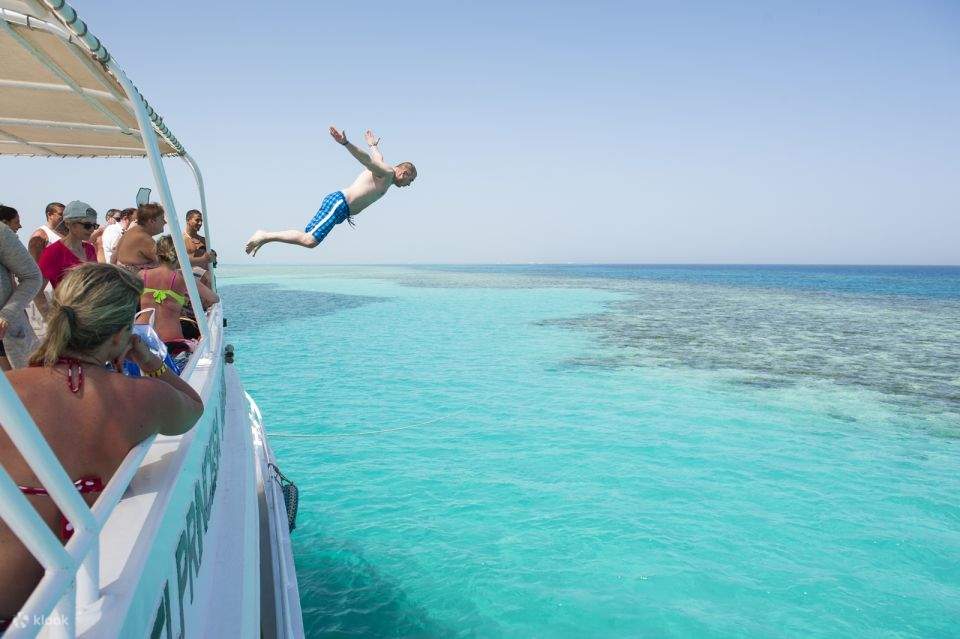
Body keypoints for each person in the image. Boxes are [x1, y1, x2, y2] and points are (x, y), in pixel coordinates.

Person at [0, 263, 203, 626]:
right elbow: (193, 409)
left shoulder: (8, 390)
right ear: (119, 335)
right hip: (53, 613)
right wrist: (146, 357)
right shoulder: (138, 400)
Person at [245, 127, 417, 256]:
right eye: (411, 180)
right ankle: (265, 235)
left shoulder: (385, 171)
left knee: (307, 238)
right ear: (405, 172)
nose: (409, 185)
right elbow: (367, 161)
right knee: (310, 241)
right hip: (340, 204)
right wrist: (346, 143)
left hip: (340, 207)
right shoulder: (387, 173)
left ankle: (265, 238)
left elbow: (376, 157)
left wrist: (373, 145)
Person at [137, 235, 218, 356]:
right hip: (170, 341)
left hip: (141, 336)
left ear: (157, 254)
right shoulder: (183, 278)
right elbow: (214, 298)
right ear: (180, 255)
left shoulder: (142, 275)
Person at [0, 205, 42, 370]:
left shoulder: (2, 233)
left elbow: (33, 277)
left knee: (12, 393)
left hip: (5, 340)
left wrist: (6, 315)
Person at [37, 201, 99, 289]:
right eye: (87, 225)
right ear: (69, 224)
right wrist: (44, 303)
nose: (92, 230)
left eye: (95, 225)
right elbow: (37, 289)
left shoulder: (90, 249)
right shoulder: (53, 252)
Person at [114, 203, 165, 273]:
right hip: (133, 281)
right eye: (162, 219)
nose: (165, 222)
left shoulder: (130, 233)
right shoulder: (143, 238)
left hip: (123, 278)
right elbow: (167, 265)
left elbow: (113, 260)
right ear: (152, 221)